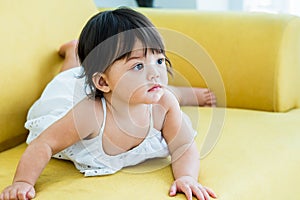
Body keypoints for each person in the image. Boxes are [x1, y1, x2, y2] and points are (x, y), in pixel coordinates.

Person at [0, 8, 217, 200]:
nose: (155, 72)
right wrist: (23, 182)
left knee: (160, 91)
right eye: (138, 66)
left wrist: (187, 177)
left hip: (140, 93)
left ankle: (188, 94)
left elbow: (183, 145)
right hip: (68, 99)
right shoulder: (88, 114)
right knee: (69, 77)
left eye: (159, 60)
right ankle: (73, 54)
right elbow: (44, 144)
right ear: (103, 81)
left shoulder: (162, 103)